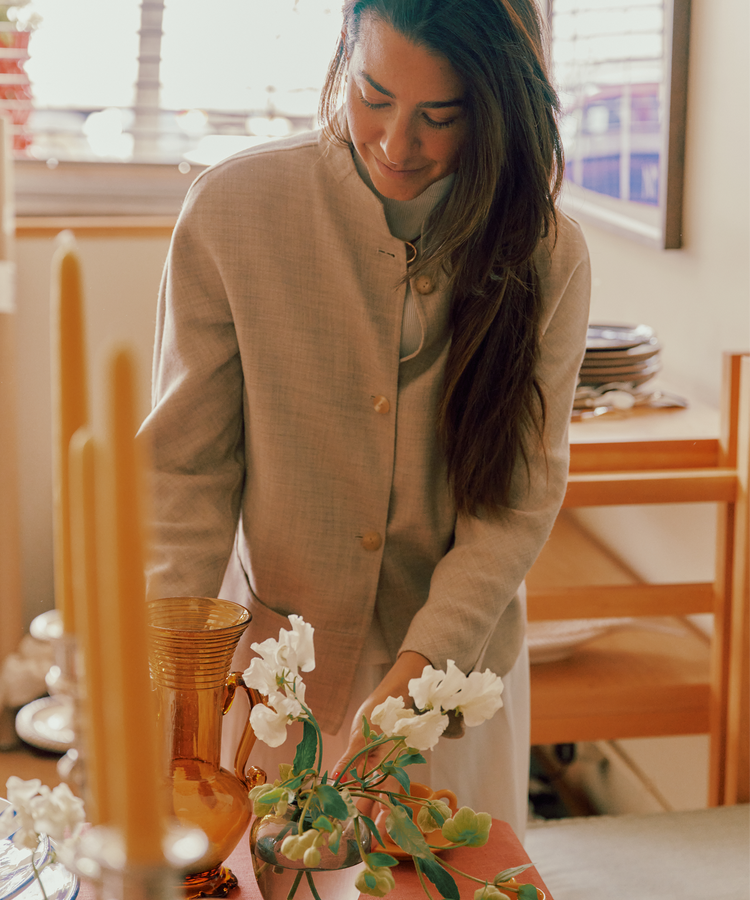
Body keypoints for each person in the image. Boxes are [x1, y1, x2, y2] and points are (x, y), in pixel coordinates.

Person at [140, 0, 590, 839]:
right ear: (343, 51)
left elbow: (515, 505)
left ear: (496, 109)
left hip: (453, 674)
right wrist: (175, 686)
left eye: (439, 116)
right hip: (274, 670)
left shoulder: (547, 252)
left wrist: (416, 683)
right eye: (373, 95)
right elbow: (185, 471)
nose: (395, 143)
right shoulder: (234, 210)